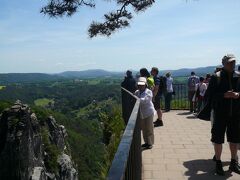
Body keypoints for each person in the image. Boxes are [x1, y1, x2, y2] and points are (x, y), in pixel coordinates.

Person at [207, 54, 240, 176]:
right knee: (218, 139)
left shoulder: (238, 76)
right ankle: (218, 163)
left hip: (235, 114)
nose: (232, 64)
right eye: (230, 62)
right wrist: (224, 95)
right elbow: (209, 96)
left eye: (234, 62)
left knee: (235, 139)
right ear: (224, 64)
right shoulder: (217, 77)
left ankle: (233, 162)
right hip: (220, 114)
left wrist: (238, 95)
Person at [135, 77, 155, 149]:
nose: (140, 86)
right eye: (139, 85)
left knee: (149, 128)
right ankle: (146, 142)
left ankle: (150, 143)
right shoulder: (137, 92)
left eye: (142, 85)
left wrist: (136, 98)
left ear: (145, 85)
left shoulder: (149, 92)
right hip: (142, 113)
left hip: (149, 112)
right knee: (143, 129)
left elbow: (144, 100)